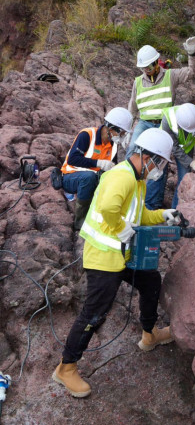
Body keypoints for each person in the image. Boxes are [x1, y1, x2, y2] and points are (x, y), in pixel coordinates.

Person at [52, 128, 178, 398]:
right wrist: (121, 229)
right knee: (95, 312)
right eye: (161, 163)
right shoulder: (122, 177)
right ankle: (66, 367)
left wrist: (162, 216)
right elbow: (110, 208)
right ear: (147, 157)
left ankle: (150, 333)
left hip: (122, 255)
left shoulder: (138, 178)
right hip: (103, 257)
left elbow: (139, 212)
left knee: (150, 281)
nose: (161, 169)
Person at [126, 37, 195, 158]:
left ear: (156, 62)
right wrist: (127, 128)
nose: (146, 70)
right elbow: (133, 106)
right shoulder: (137, 82)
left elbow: (191, 72)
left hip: (164, 124)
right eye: (143, 68)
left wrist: (191, 54)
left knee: (159, 155)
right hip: (144, 123)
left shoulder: (170, 75)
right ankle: (129, 176)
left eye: (148, 67)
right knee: (132, 148)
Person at [61, 107, 133, 230]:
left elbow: (111, 168)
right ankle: (80, 220)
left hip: (93, 179)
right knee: (89, 178)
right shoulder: (87, 135)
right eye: (121, 132)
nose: (122, 136)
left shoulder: (113, 145)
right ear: (111, 128)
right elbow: (73, 159)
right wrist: (99, 163)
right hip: (70, 177)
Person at [145, 102, 195, 210]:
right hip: (162, 147)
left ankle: (176, 212)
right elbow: (174, 147)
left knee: (184, 180)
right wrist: (192, 162)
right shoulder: (168, 120)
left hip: (186, 148)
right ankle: (150, 208)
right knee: (157, 175)